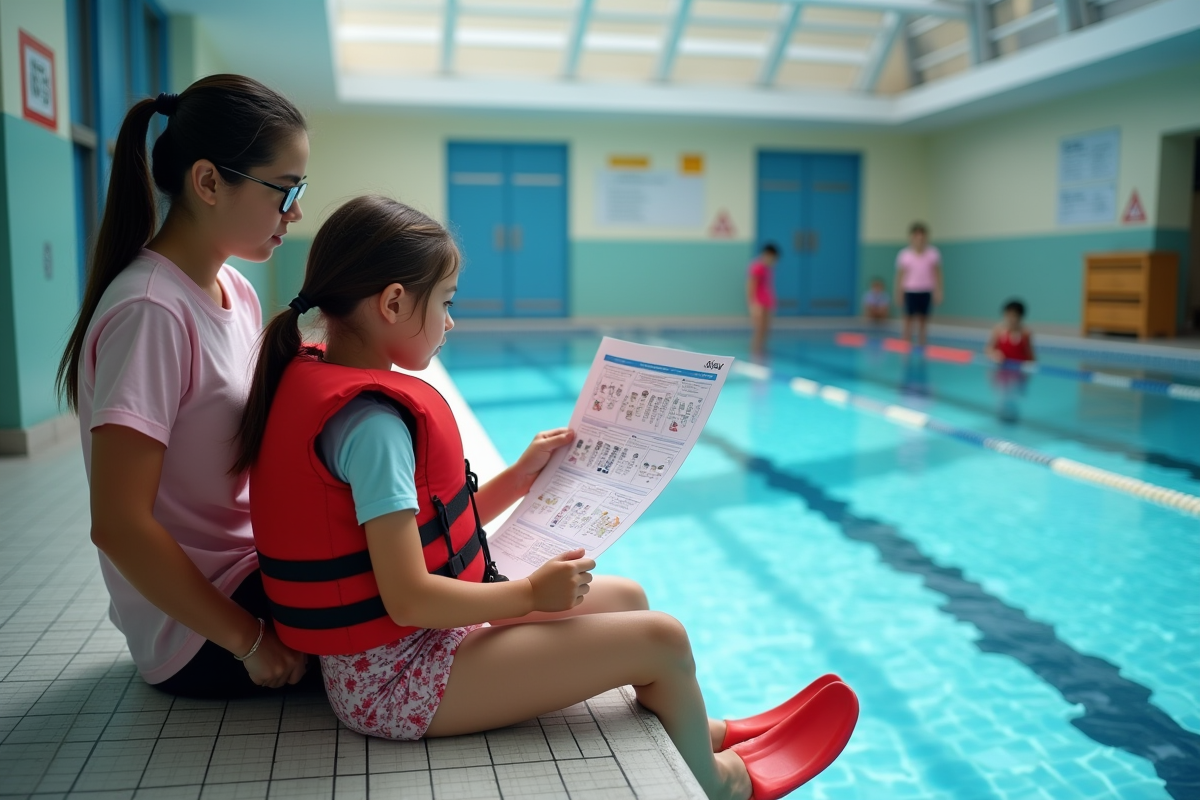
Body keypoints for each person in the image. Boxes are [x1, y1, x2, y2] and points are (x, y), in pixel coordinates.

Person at [236, 196, 859, 800]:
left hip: (413, 645)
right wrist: (530, 595)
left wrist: (518, 478)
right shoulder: (374, 428)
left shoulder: (327, 380)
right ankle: (718, 784)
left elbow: (423, 541)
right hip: (397, 682)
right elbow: (409, 597)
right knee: (662, 638)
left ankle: (702, 730)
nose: (451, 322)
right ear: (394, 302)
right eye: (446, 302)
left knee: (628, 598)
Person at [56, 75, 316, 698]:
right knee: (412, 610)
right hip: (201, 626)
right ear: (208, 182)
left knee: (413, 566)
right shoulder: (151, 312)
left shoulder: (236, 292)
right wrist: (248, 640)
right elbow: (118, 524)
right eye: (285, 190)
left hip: (251, 569)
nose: (296, 212)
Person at [894, 223, 942, 347]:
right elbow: (900, 276)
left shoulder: (933, 253)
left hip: (926, 290)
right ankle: (905, 344)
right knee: (908, 320)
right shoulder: (904, 255)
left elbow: (937, 274)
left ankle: (922, 343)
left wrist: (938, 291)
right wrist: (899, 294)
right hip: (910, 290)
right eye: (916, 235)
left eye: (922, 235)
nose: (919, 239)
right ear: (911, 237)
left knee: (923, 320)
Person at [747, 243, 778, 356]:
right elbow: (751, 285)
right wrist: (752, 304)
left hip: (767, 301)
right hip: (758, 302)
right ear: (767, 254)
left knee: (766, 329)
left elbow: (768, 286)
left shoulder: (768, 268)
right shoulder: (757, 267)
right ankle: (755, 352)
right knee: (758, 329)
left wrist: (772, 302)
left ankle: (761, 350)